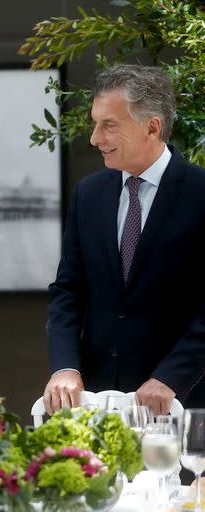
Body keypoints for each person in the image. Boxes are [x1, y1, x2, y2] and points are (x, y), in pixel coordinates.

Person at [44, 64, 205, 417]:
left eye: (108, 125)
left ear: (152, 126)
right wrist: (65, 367)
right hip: (95, 402)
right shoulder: (89, 194)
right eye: (94, 123)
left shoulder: (200, 193)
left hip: (182, 404)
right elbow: (68, 292)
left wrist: (171, 377)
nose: (94, 138)